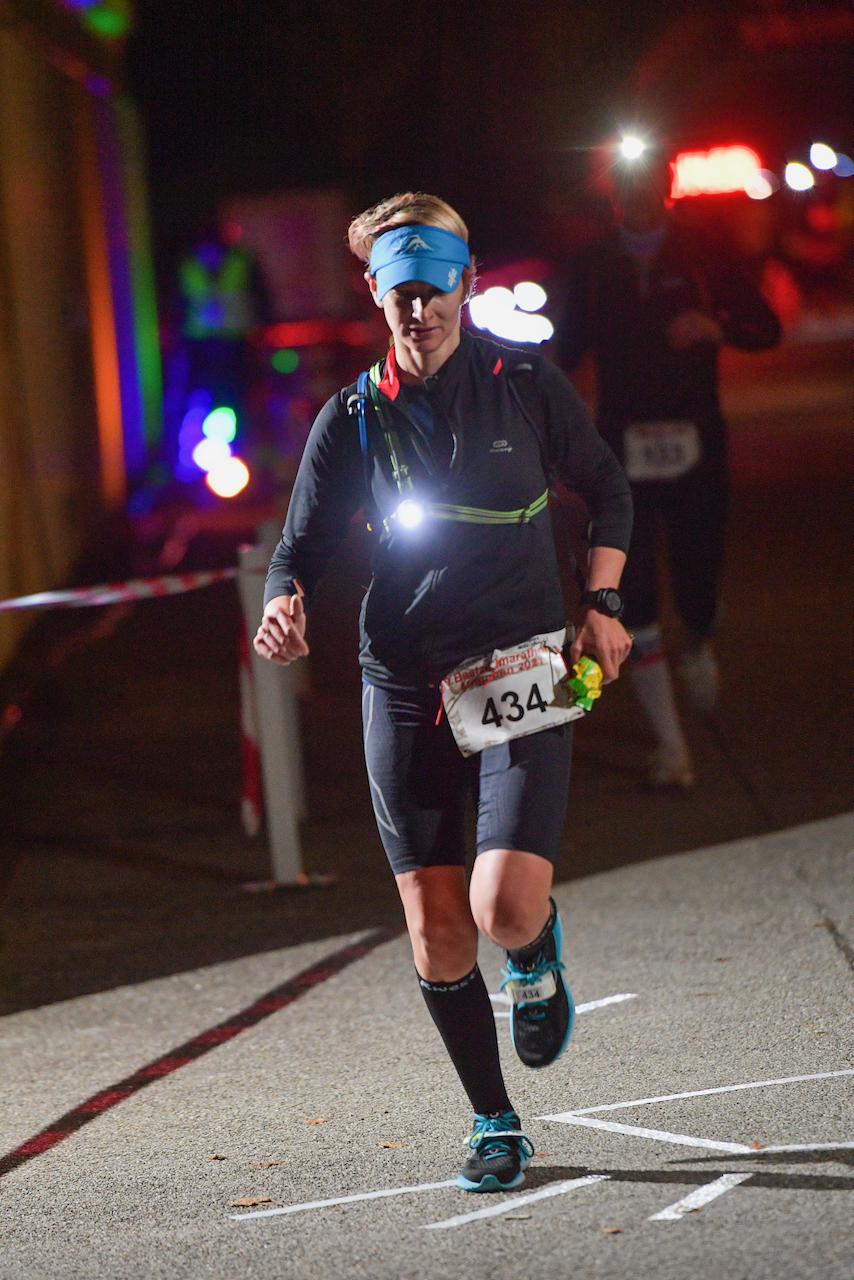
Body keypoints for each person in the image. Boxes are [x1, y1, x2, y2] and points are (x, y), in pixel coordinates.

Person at [254, 192, 633, 1191]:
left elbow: (607, 484)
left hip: (520, 666)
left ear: (465, 284)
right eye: (399, 294)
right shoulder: (351, 416)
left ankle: (535, 944)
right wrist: (282, 601)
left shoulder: (523, 382)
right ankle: (493, 1117)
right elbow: (297, 545)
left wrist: (601, 600)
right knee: (435, 928)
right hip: (404, 677)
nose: (417, 311)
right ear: (374, 294)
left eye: (434, 289)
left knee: (501, 907)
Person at [556, 147, 781, 786]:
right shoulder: (593, 265)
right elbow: (567, 348)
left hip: (696, 441)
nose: (640, 195)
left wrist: (716, 326)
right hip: (621, 446)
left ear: (667, 187)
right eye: (628, 186)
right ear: (615, 195)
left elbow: (766, 328)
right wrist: (519, 391)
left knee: (699, 571)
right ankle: (672, 748)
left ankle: (701, 636)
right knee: (635, 591)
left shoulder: (704, 250)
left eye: (650, 184)